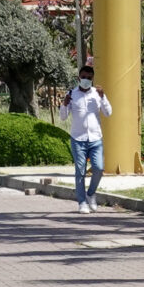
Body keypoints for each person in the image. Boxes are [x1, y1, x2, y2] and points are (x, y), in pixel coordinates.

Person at [63, 64, 110, 212]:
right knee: (80, 171)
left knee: (99, 168)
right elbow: (63, 117)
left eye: (89, 78)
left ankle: (91, 194)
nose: (86, 80)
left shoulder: (97, 93)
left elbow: (108, 112)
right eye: (83, 77)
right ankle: (82, 202)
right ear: (79, 78)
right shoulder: (71, 94)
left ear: (93, 79)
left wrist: (103, 98)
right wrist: (64, 105)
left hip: (95, 138)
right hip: (78, 138)